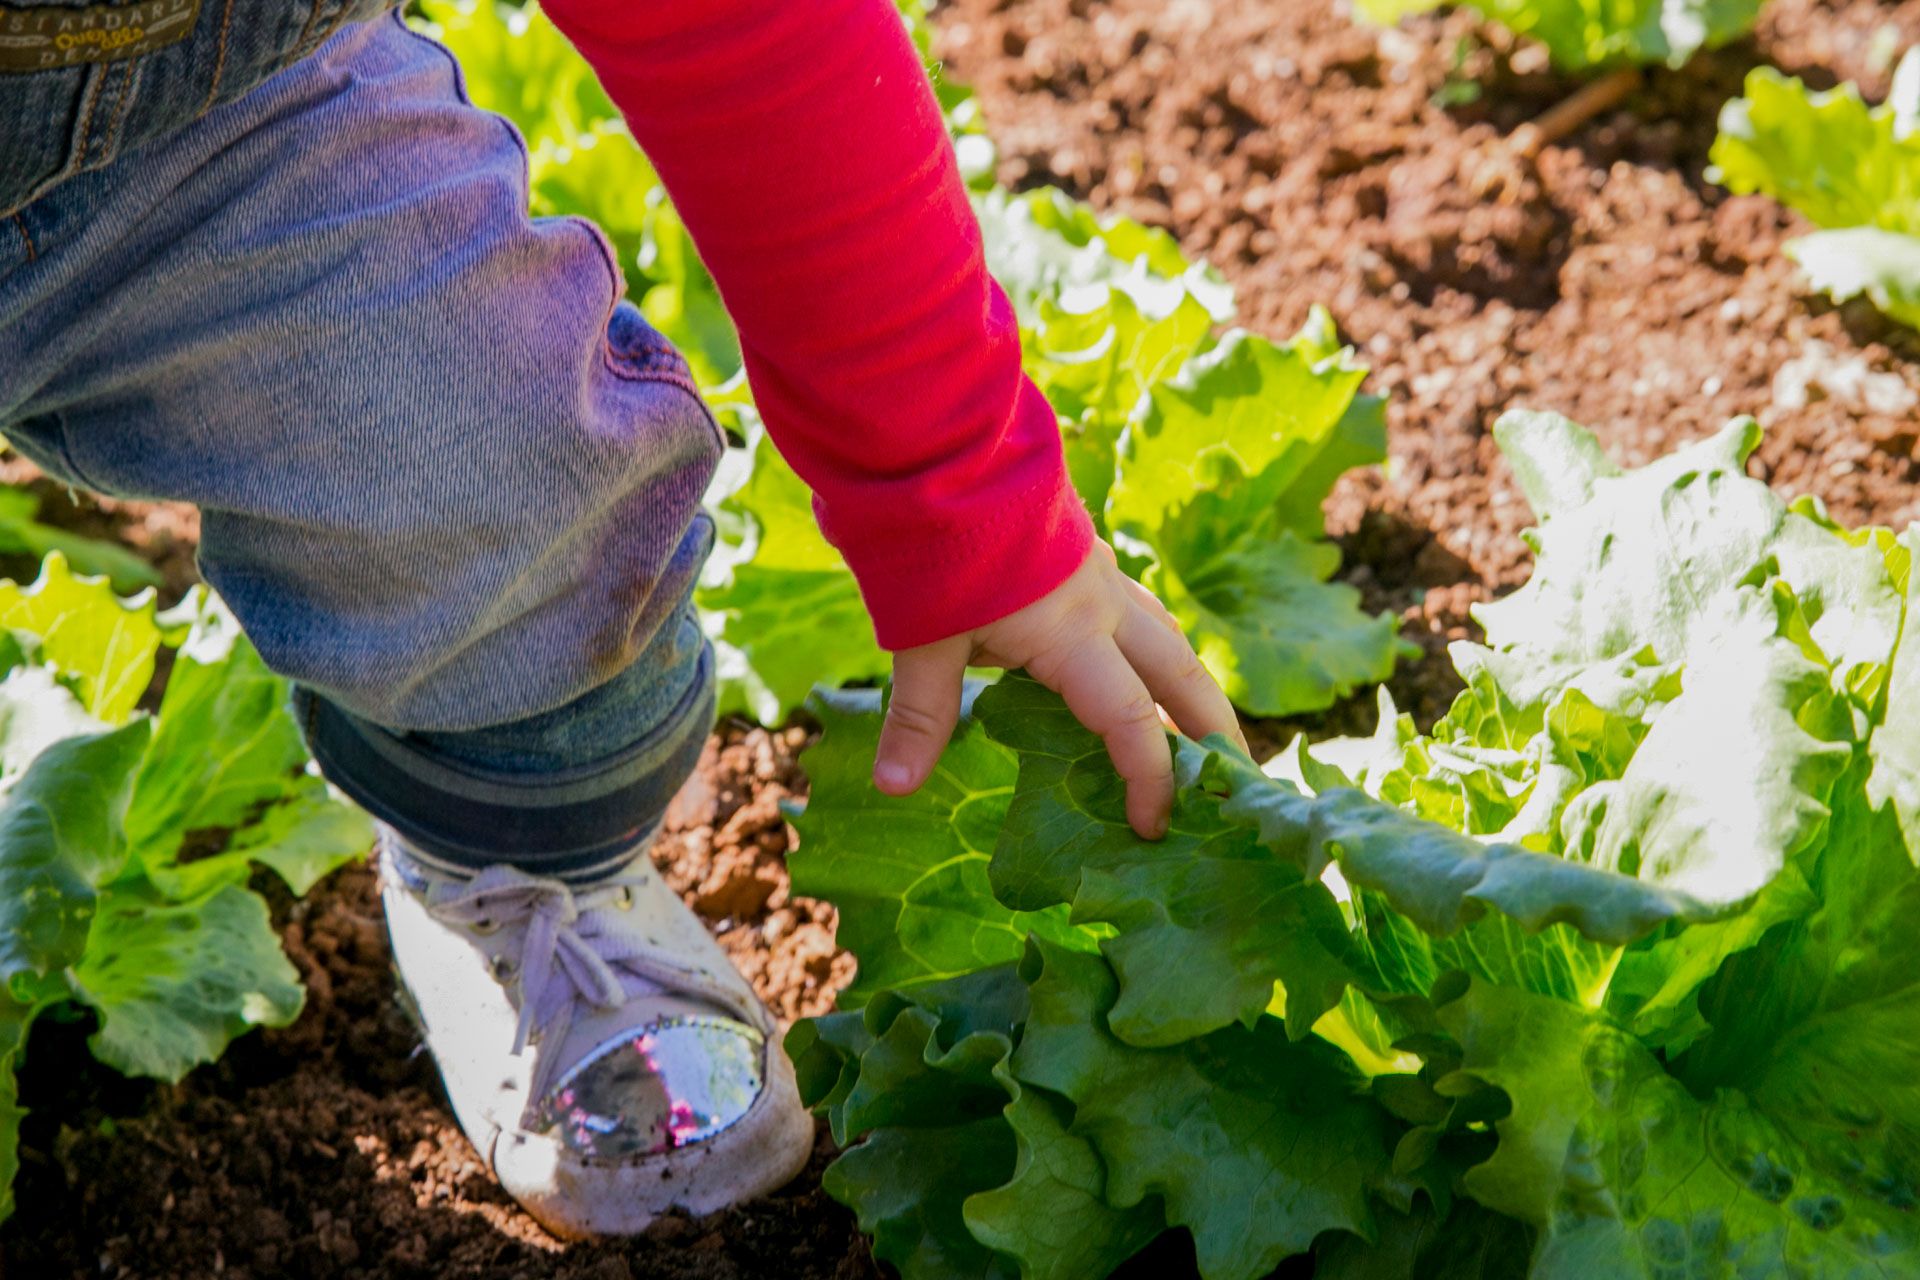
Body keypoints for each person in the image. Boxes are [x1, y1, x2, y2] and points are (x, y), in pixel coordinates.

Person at [0, 0, 1244, 1239]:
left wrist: (961, 489)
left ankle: (512, 856)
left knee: (522, 520)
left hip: (208, 137)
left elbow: (743, 28)